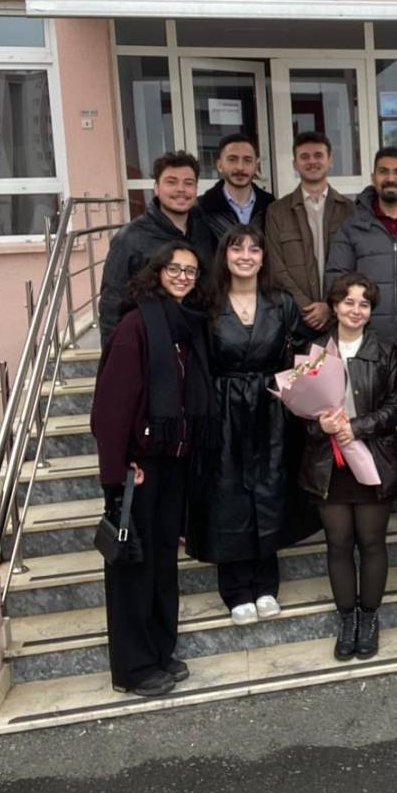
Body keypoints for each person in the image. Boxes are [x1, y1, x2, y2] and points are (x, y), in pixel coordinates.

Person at [89, 242, 216, 699]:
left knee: (162, 564)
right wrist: (117, 472)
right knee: (133, 567)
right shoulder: (136, 326)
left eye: (191, 271)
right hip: (138, 468)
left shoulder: (187, 326)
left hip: (172, 462)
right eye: (175, 269)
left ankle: (160, 650)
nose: (183, 277)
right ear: (157, 271)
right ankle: (134, 667)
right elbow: (110, 409)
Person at [188, 223, 306, 625]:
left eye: (254, 249)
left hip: (270, 409)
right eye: (237, 249)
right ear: (224, 255)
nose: (245, 256)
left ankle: (266, 585)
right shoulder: (206, 302)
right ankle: (236, 588)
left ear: (263, 257)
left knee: (269, 493)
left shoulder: (281, 302)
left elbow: (304, 352)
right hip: (222, 409)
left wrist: (290, 388)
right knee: (228, 494)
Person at [298, 273, 397, 661]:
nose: (356, 310)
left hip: (373, 458)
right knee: (339, 543)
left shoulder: (385, 351)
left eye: (364, 304)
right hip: (328, 463)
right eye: (348, 302)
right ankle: (347, 620)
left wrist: (357, 427)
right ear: (334, 305)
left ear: (371, 311)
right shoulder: (314, 350)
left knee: (372, 543)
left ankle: (370, 618)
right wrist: (320, 426)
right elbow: (297, 409)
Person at [97, 152, 216, 342]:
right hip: (154, 343)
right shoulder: (130, 238)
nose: (181, 189)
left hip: (199, 341)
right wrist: (114, 353)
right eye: (171, 182)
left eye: (188, 183)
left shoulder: (203, 229)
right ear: (156, 188)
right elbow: (112, 305)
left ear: (196, 188)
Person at [325, 146, 397, 345]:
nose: (390, 178)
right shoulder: (353, 226)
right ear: (373, 177)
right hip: (366, 340)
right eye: (383, 171)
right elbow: (337, 280)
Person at [265, 130, 355, 337]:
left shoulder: (349, 210)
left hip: (341, 317)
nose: (312, 162)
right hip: (295, 320)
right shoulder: (277, 211)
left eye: (318, 155)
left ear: (330, 160)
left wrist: (329, 305)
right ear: (295, 164)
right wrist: (306, 306)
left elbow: (353, 264)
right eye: (304, 157)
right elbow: (276, 267)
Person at [199, 133, 274, 238]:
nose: (240, 167)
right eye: (232, 159)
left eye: (247, 160)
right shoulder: (201, 208)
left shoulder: (271, 207)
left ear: (256, 167)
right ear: (219, 165)